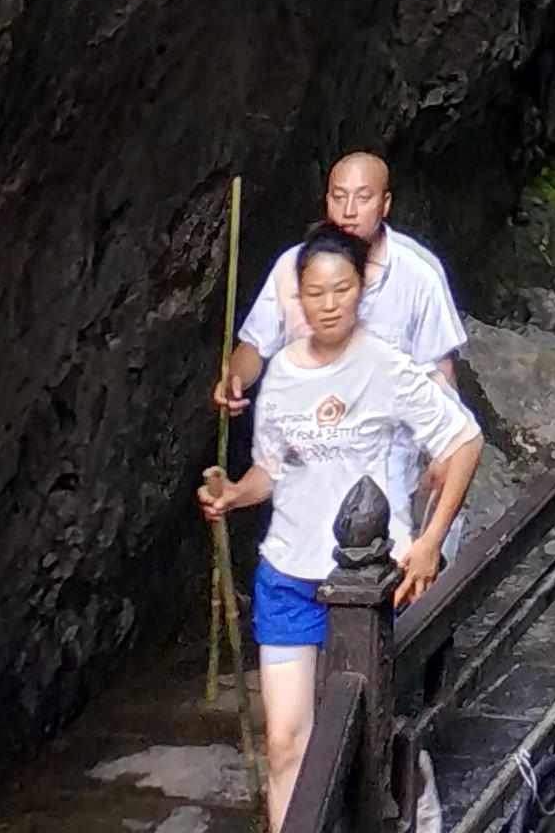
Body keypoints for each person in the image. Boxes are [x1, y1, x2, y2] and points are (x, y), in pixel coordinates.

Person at [201, 223, 480, 828]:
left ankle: (422, 815)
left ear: (360, 291)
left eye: (341, 289)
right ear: (296, 297)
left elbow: (464, 439)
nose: (328, 305)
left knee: (372, 731)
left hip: (368, 584)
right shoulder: (279, 374)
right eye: (315, 293)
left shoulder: (386, 366)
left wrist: (429, 541)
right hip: (288, 574)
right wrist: (233, 493)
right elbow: (272, 471)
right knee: (285, 744)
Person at [223, 153, 467, 559]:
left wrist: (445, 453)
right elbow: (256, 345)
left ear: (385, 204)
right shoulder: (293, 268)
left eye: (363, 198)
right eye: (339, 198)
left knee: (382, 596)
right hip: (307, 469)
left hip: (390, 473)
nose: (349, 211)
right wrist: (233, 379)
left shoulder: (418, 274)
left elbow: (439, 370)